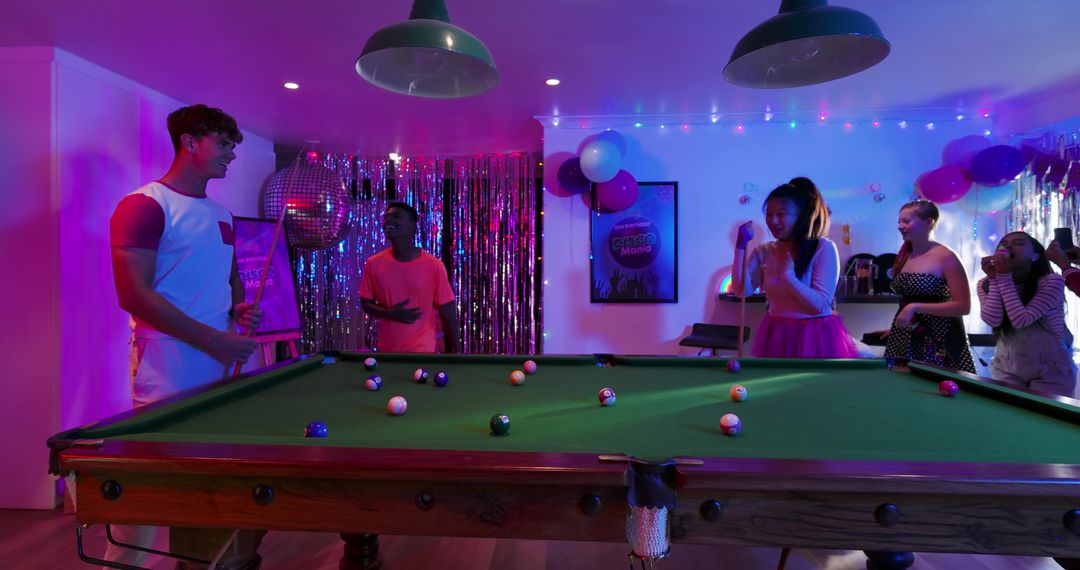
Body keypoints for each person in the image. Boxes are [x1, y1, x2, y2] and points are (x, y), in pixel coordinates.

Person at [108, 104, 263, 569]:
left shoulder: (222, 212)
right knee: (151, 488)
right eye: (224, 143)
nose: (232, 154)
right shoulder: (144, 205)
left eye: (234, 145)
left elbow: (229, 278)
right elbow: (133, 295)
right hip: (170, 367)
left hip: (224, 363)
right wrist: (215, 340)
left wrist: (238, 308)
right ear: (190, 142)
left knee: (215, 482)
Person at [731, 177, 858, 358]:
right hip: (776, 331)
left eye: (781, 214)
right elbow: (741, 291)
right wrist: (740, 248)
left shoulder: (823, 248)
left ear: (800, 216)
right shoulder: (764, 251)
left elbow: (820, 305)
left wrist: (788, 276)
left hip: (814, 335)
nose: (773, 221)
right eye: (768, 214)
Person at [882, 200, 975, 373]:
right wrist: (896, 327)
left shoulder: (946, 256)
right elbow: (909, 300)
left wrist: (914, 308)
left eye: (906, 221)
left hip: (938, 338)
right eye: (899, 221)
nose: (900, 226)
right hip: (904, 336)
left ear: (929, 222)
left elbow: (963, 306)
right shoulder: (905, 254)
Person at [979, 232, 1075, 396]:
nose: (1008, 246)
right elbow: (993, 320)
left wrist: (1003, 277)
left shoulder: (1052, 281)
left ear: (1035, 255)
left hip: (1050, 367)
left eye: (1018, 243)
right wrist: (994, 279)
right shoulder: (985, 283)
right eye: (1004, 242)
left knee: (1043, 418)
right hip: (1006, 364)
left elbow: (1021, 320)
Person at [359, 202, 459, 353]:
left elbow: (447, 310)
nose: (388, 220)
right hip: (387, 353)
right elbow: (366, 303)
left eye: (396, 217)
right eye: (386, 217)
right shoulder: (373, 264)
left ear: (411, 227)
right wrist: (390, 313)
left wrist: (458, 350)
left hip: (424, 353)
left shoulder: (434, 265)